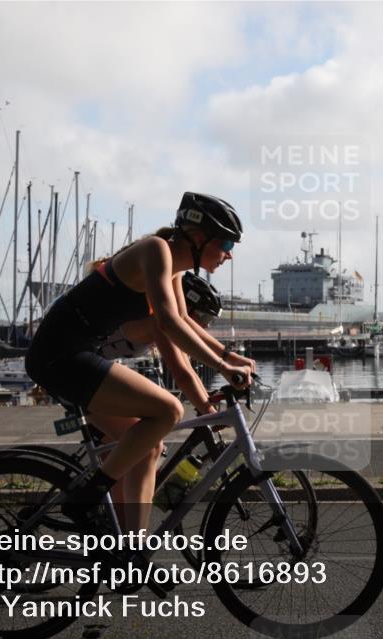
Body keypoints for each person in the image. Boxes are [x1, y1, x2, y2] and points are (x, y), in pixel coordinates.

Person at [24, 192, 253, 532]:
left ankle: (133, 548)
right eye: (226, 244)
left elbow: (185, 320)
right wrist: (224, 369)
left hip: (73, 354)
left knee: (148, 446)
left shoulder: (173, 266)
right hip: (61, 355)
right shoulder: (155, 251)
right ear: (198, 236)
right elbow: (169, 324)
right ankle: (89, 497)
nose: (228, 255)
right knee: (168, 410)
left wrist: (229, 356)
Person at [94, 271, 255, 531]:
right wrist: (207, 409)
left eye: (209, 321)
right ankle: (128, 548)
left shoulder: (165, 321)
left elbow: (189, 370)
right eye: (201, 317)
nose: (203, 326)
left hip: (94, 379)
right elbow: (181, 374)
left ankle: (117, 546)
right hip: (80, 378)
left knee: (130, 462)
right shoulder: (159, 320)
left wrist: (209, 398)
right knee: (148, 448)